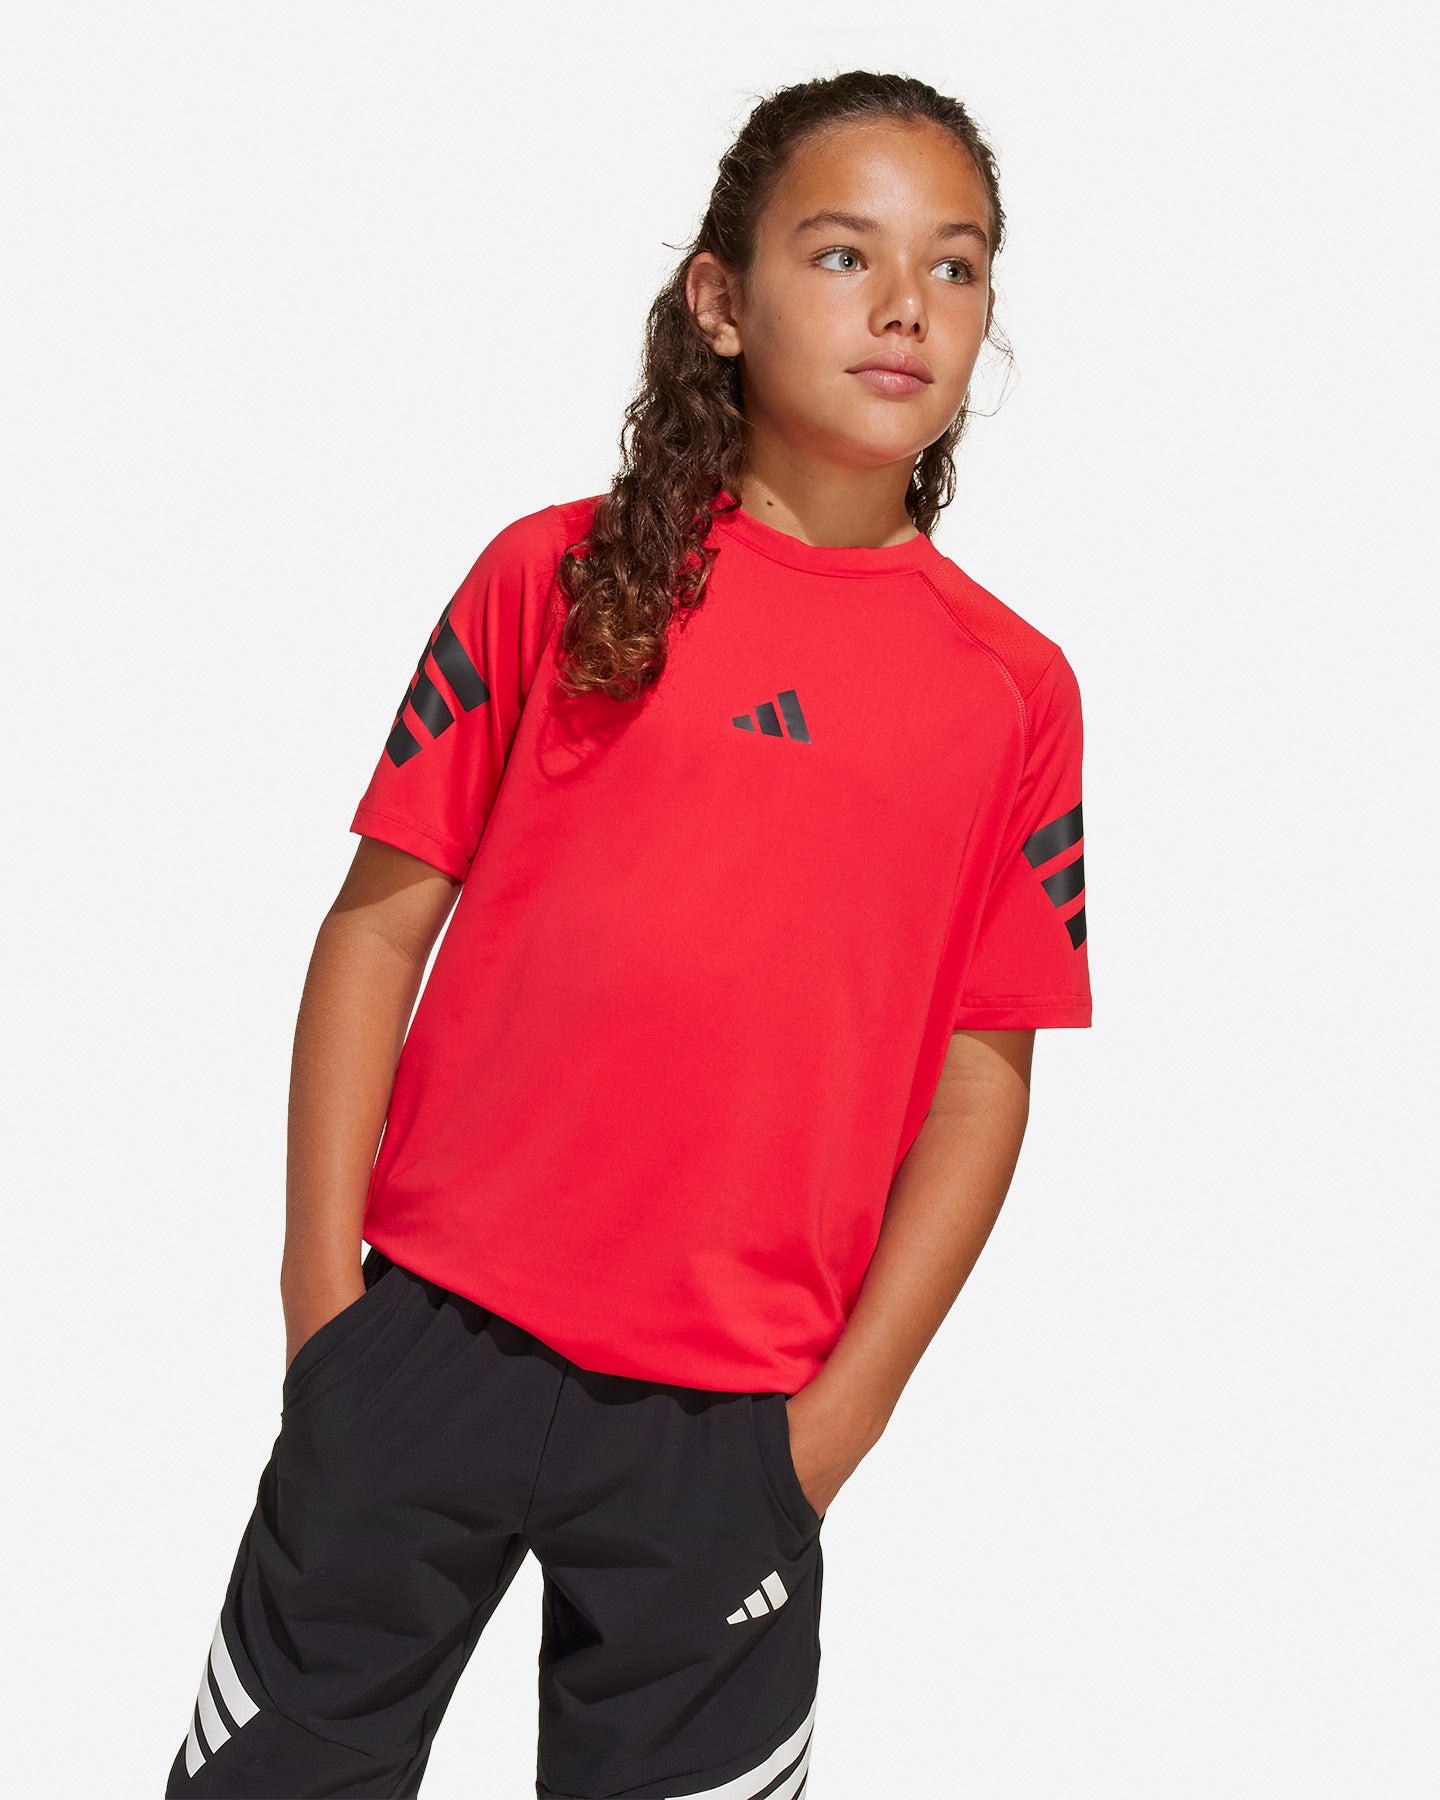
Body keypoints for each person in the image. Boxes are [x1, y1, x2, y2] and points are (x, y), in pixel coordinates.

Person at [165, 67, 1092, 1799]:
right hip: (423, 1346)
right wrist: (320, 1306)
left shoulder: (1012, 694)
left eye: (956, 266)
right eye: (843, 254)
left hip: (731, 1427)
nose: (907, 304)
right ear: (720, 300)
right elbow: (373, 937)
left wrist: (833, 1429)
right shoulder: (557, 575)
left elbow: (984, 1080)